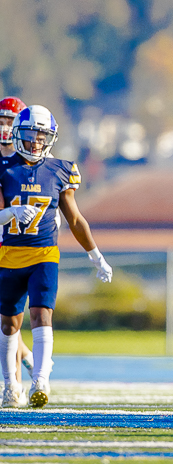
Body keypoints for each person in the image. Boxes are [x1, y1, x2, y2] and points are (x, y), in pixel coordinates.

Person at [0, 105, 113, 408]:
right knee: (9, 323)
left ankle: (41, 381)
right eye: (30, 135)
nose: (35, 142)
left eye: (41, 136)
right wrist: (9, 212)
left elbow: (75, 219)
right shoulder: (4, 167)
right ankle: (11, 384)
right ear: (18, 135)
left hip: (44, 254)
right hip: (9, 255)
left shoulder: (61, 169)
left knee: (42, 314)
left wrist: (96, 255)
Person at [0, 97, 34, 406]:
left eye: (10, 121)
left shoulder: (26, 164)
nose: (4, 127)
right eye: (1, 120)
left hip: (15, 249)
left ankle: (16, 385)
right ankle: (29, 362)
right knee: (6, 319)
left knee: (10, 316)